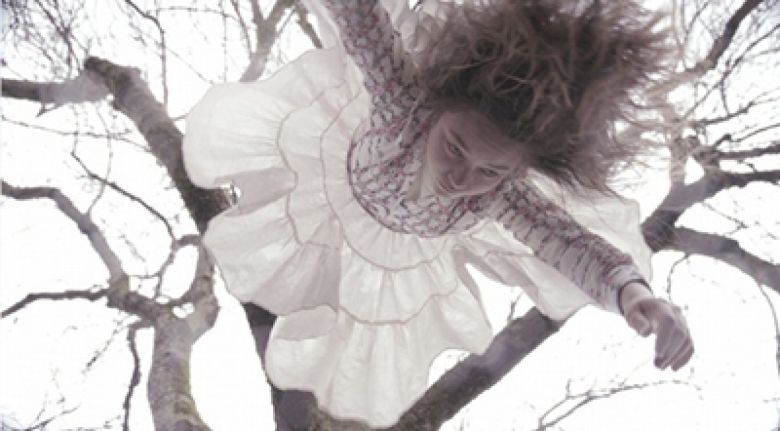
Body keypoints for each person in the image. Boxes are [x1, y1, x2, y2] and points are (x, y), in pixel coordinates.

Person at [183, 0, 694, 427]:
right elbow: (361, 21)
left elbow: (570, 243)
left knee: (359, 346)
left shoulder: (501, 196)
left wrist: (633, 293)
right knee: (284, 263)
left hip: (400, 250)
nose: (462, 177)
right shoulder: (405, 100)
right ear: (440, 112)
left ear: (513, 172)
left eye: (489, 170)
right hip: (333, 179)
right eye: (454, 147)